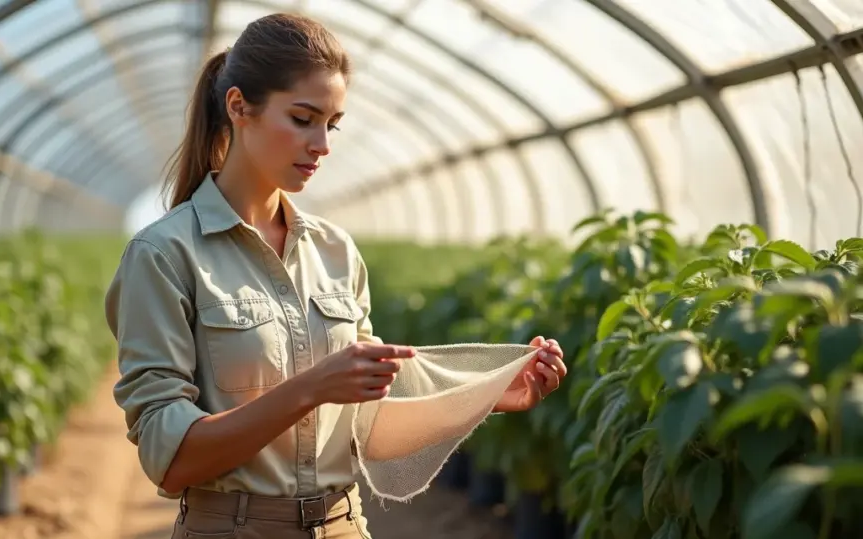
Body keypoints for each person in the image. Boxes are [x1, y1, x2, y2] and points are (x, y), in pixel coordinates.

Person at [104, 12, 568, 539]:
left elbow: (364, 429)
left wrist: (489, 397)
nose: (322, 144)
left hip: (343, 525)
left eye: (332, 123)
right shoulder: (164, 254)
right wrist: (310, 388)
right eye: (303, 119)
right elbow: (173, 460)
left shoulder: (334, 251)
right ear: (239, 107)